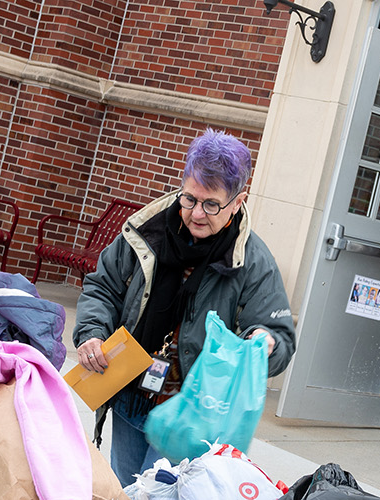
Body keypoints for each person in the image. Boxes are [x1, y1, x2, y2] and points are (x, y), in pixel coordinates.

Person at [74, 129, 298, 480]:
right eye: (190, 198)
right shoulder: (144, 231)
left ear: (238, 201)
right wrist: (91, 333)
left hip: (191, 414)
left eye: (212, 204)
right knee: (125, 487)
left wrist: (265, 342)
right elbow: (103, 288)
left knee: (161, 491)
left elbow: (280, 336)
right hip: (131, 392)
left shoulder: (254, 261)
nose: (196, 213)